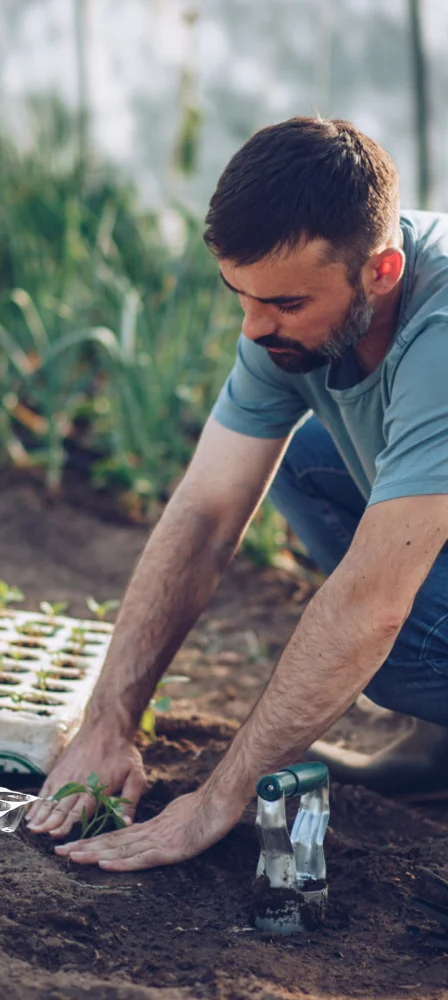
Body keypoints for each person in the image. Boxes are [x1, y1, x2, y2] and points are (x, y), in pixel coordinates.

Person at [24, 116, 448, 871]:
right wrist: (107, 724)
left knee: (386, 644)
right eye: (240, 295)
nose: (253, 329)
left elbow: (372, 603)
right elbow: (204, 514)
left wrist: (216, 802)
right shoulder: (290, 317)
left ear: (380, 273)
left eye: (284, 304)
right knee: (307, 457)